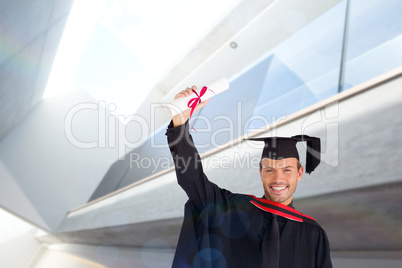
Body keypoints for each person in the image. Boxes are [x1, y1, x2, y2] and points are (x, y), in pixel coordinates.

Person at [166, 86, 333, 268]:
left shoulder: (313, 234)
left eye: (287, 170)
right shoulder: (232, 210)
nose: (278, 179)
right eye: (270, 170)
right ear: (261, 173)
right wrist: (180, 125)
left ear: (299, 174)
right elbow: (192, 178)